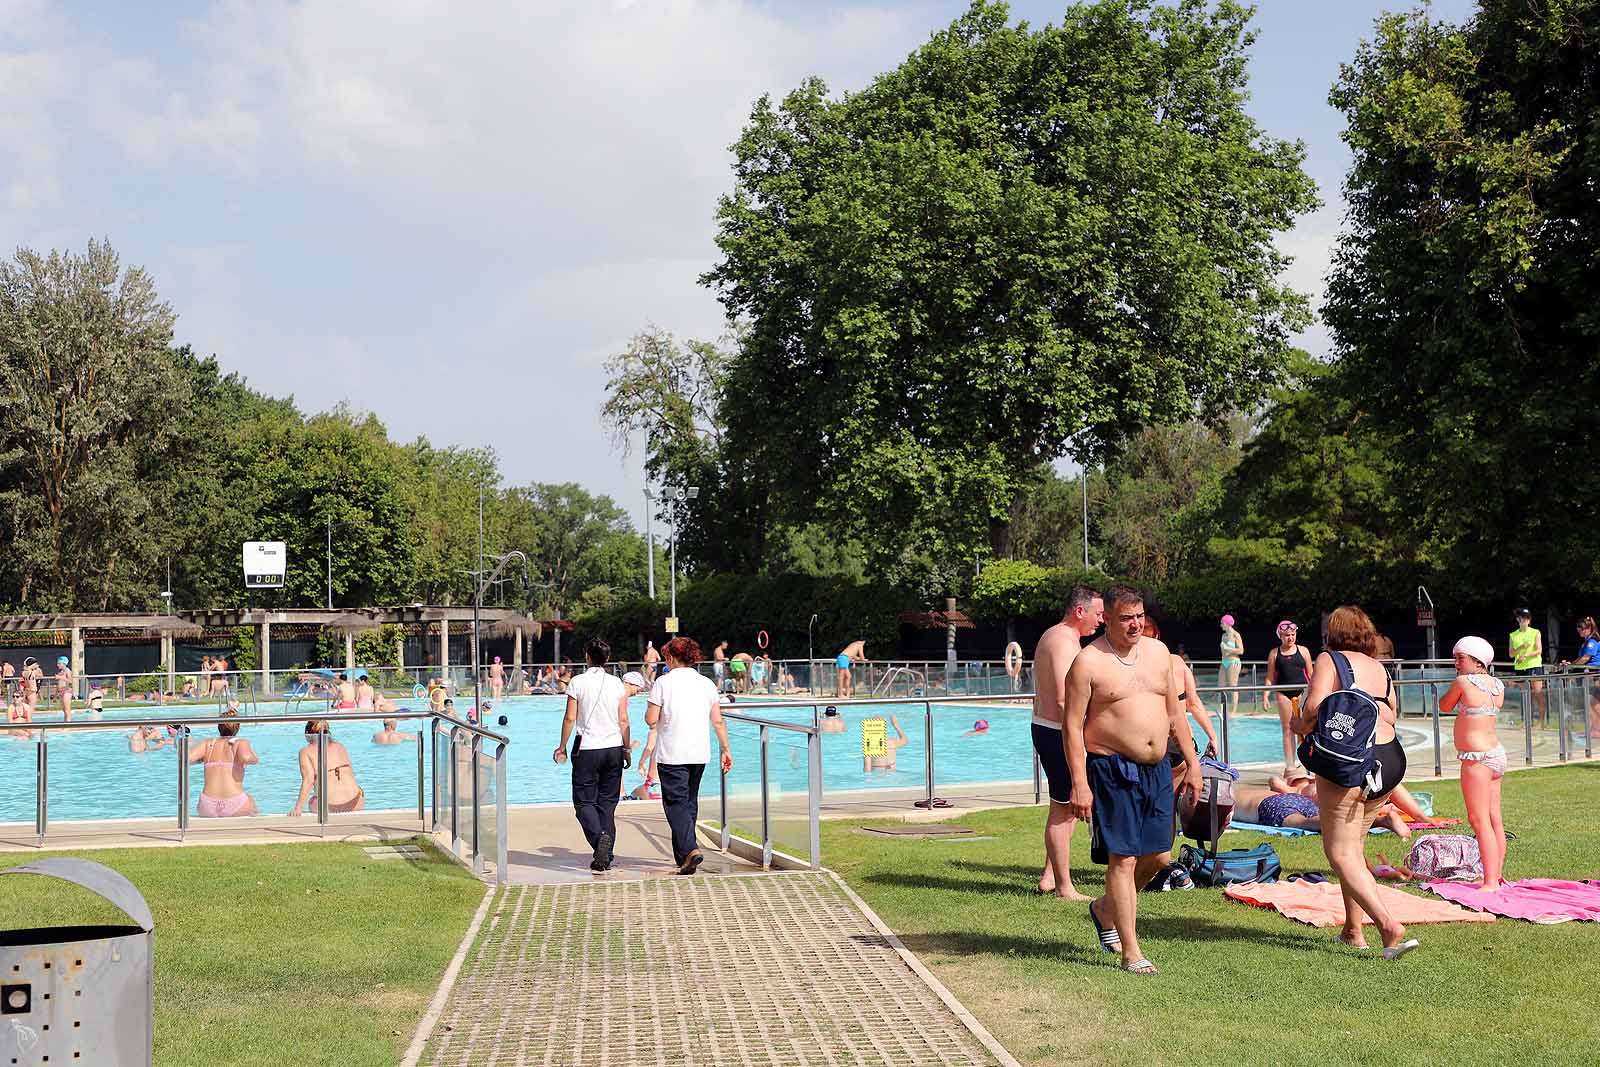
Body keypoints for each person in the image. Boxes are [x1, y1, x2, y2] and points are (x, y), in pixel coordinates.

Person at [1064, 585, 1201, 975]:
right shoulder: (1088, 662)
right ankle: (1132, 950)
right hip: (1111, 769)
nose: (1135, 624)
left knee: (1159, 856)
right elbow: (1072, 728)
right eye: (1126, 617)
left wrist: (1192, 762)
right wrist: (1079, 783)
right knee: (1122, 859)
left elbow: (1176, 714)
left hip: (1157, 768)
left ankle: (1105, 908)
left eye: (1139, 615)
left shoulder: (1159, 654)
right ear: (1106, 617)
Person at [1292, 604, 1418, 958]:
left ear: (1333, 634)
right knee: (1355, 846)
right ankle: (1352, 930)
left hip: (1351, 760)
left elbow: (1315, 707)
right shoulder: (1379, 668)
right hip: (1390, 758)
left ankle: (1388, 926)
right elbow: (1391, 712)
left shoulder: (1329, 661)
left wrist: (1298, 725)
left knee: (1340, 852)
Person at [1031, 586, 1104, 900]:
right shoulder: (1062, 641)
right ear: (1079, 611)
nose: (1101, 620)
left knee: (1069, 807)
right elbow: (1064, 698)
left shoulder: (1061, 637)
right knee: (1064, 809)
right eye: (1098, 613)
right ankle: (1064, 886)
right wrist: (1082, 737)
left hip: (1051, 729)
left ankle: (1051, 877)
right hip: (1057, 731)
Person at [645, 637, 733, 875]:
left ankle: (690, 849)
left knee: (675, 804)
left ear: (672, 657)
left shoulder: (663, 683)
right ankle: (683, 857)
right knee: (689, 802)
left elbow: (651, 719)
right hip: (699, 752)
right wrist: (726, 749)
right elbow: (717, 720)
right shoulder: (706, 684)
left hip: (673, 752)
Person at [555, 638, 631, 873]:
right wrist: (626, 748)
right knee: (607, 805)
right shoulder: (617, 684)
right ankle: (604, 857)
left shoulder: (577, 682)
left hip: (586, 748)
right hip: (613, 748)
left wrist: (562, 746)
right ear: (607, 659)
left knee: (584, 803)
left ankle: (600, 842)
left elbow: (570, 718)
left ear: (587, 656)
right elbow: (623, 719)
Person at [1441, 635, 1507, 891]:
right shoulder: (1498, 685)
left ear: (1478, 662)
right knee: (1494, 819)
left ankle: (1490, 882)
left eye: (1461, 658)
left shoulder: (1462, 683)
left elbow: (1444, 705)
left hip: (1476, 759)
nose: (1456, 663)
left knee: (1479, 820)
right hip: (1496, 754)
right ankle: (1496, 875)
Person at [1264, 620, 1313, 777]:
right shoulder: (1274, 653)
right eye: (1286, 635)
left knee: (1307, 727)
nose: (1290, 638)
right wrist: (1265, 695)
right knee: (1287, 729)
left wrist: (1315, 693)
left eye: (1292, 635)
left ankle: (1310, 764)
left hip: (1302, 691)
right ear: (1280, 636)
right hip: (1283, 692)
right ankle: (1290, 765)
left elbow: (1311, 676)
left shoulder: (1303, 651)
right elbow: (1270, 678)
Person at [189, 709, 259, 817]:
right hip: (235, 803)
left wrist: (203, 759)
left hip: (207, 804)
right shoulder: (239, 742)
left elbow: (186, 759)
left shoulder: (208, 744)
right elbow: (247, 757)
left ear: (219, 727)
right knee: (251, 800)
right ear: (238, 727)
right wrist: (255, 757)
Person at [289, 720, 365, 815]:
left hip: (328, 806)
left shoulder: (305, 752)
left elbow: (308, 780)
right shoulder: (340, 746)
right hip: (356, 801)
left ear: (308, 735)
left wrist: (298, 808)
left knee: (312, 801)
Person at [1510, 607, 1547, 725]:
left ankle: (1541, 722)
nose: (1523, 620)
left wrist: (1525, 655)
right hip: (1520, 667)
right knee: (1526, 696)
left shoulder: (1536, 632)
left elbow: (1539, 650)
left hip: (1534, 665)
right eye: (1520, 618)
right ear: (1517, 619)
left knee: (1537, 693)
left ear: (1529, 620)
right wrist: (1521, 648)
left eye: (1525, 618)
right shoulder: (1513, 635)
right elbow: (1511, 654)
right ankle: (1527, 722)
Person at [1217, 613, 1243, 716]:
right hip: (1224, 662)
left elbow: (1241, 650)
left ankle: (1234, 710)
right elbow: (1224, 652)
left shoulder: (1236, 635)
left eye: (1222, 623)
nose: (1221, 625)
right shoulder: (1223, 636)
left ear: (1227, 624)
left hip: (1233, 662)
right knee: (1220, 686)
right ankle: (1221, 709)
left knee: (1233, 686)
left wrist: (1228, 649)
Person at [53, 656, 73, 721]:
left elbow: (70, 681)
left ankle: (68, 725)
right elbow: (58, 685)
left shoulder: (68, 671)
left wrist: (60, 677)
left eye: (59, 663)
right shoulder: (60, 672)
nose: (57, 665)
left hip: (66, 691)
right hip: (61, 691)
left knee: (67, 709)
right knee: (64, 710)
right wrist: (55, 696)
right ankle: (65, 724)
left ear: (64, 663)